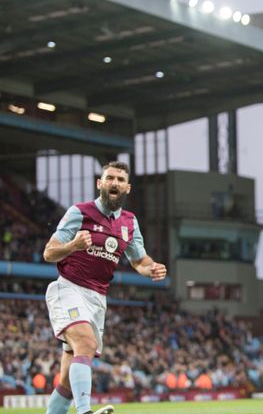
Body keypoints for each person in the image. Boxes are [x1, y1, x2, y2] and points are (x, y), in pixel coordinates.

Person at [42, 161, 167, 414]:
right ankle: (85, 411)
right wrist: (72, 246)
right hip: (69, 289)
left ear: (128, 188)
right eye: (110, 178)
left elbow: (139, 260)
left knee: (67, 380)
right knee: (86, 343)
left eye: (120, 180)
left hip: (98, 300)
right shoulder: (79, 212)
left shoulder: (130, 223)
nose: (115, 183)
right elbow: (49, 252)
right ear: (100, 183)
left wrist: (151, 268)